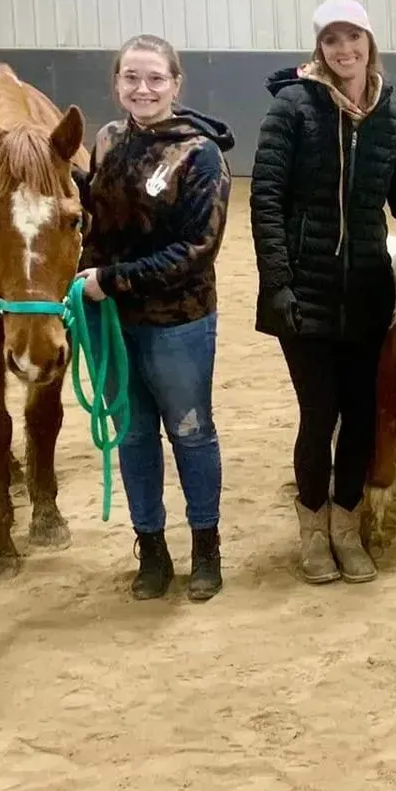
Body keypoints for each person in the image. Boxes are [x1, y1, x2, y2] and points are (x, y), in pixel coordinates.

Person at [251, 0, 396, 586]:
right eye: (331, 39)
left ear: (370, 42)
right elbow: (266, 201)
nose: (343, 49)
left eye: (353, 37)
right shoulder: (292, 108)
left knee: (359, 418)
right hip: (306, 295)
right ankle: (312, 529)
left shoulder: (394, 116)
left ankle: (347, 527)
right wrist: (278, 284)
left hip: (368, 294)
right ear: (319, 48)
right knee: (318, 412)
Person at [74, 35, 234, 604]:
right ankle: (152, 548)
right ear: (117, 84)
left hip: (177, 322)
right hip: (109, 322)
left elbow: (197, 249)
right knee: (133, 435)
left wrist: (110, 280)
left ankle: (206, 549)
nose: (142, 89)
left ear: (175, 85)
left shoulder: (200, 155)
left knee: (190, 434)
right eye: (131, 78)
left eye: (155, 79)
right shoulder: (109, 140)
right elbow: (94, 226)